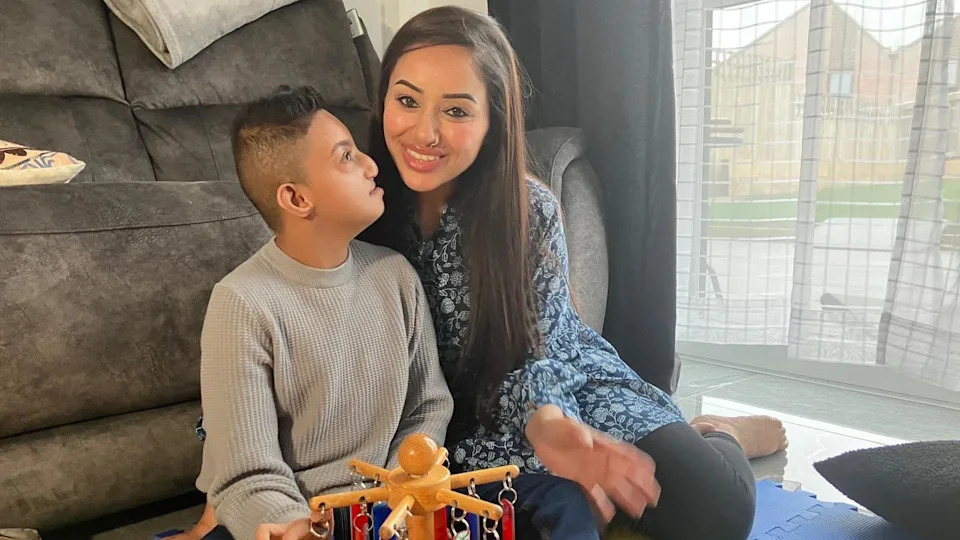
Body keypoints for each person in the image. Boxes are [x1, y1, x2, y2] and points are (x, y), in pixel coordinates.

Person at [362, 7, 789, 540]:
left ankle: (722, 433)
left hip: (559, 389)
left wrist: (552, 425)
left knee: (717, 511)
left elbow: (542, 349)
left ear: (493, 121)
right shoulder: (361, 206)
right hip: (441, 432)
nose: (424, 132)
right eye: (406, 101)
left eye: (456, 110)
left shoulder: (527, 211)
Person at [175, 86, 453, 540]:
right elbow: (245, 475)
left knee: (549, 498)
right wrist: (296, 525)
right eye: (346, 157)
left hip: (395, 509)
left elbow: (427, 406)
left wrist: (397, 496)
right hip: (299, 519)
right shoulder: (241, 303)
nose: (371, 165)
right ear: (297, 199)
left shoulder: (396, 275)